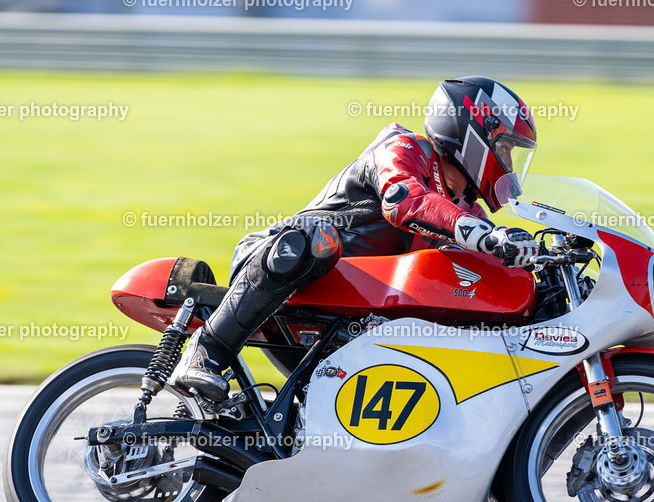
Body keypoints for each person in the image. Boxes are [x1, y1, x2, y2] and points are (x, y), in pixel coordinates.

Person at [170, 76, 540, 402]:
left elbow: (482, 258)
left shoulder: (466, 210)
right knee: (318, 240)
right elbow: (405, 201)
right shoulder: (404, 148)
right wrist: (489, 237)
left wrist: (538, 259)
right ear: (472, 135)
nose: (508, 163)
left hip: (344, 317)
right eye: (505, 148)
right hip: (280, 268)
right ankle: (207, 351)